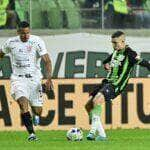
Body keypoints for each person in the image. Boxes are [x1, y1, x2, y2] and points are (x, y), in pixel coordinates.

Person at [85, 31, 150, 141]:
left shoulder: (130, 54)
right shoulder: (116, 52)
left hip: (116, 85)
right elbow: (107, 60)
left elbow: (146, 64)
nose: (114, 45)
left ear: (123, 42)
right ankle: (102, 135)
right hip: (106, 82)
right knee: (89, 106)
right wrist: (105, 64)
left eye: (116, 43)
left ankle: (92, 132)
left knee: (96, 101)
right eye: (112, 43)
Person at [0, 21, 53, 141]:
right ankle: (32, 134)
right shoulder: (11, 42)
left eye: (28, 33)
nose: (26, 36)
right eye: (23, 33)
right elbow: (1, 53)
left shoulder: (37, 41)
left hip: (35, 79)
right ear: (18, 32)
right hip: (18, 79)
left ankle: (35, 115)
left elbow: (47, 61)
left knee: (38, 111)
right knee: (23, 103)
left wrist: (49, 78)